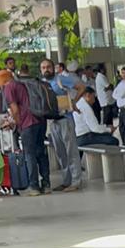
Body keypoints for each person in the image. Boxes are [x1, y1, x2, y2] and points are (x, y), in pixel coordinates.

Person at [0, 67, 49, 196]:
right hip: (40, 120)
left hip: (27, 123)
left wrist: (17, 124)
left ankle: (34, 186)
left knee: (29, 154)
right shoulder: (22, 84)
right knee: (40, 151)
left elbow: (15, 108)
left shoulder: (9, 88)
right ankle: (46, 184)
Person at [40, 58, 82, 191]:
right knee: (60, 153)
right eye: (43, 67)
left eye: (48, 67)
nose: (46, 69)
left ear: (54, 68)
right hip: (52, 121)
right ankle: (66, 181)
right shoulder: (42, 84)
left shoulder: (61, 79)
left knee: (71, 151)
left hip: (65, 119)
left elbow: (81, 87)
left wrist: (74, 102)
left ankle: (75, 181)